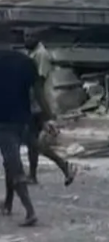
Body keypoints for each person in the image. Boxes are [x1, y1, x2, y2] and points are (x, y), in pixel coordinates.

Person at [0, 40, 47, 227]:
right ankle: (8, 203)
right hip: (21, 119)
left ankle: (30, 211)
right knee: (10, 161)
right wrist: (47, 116)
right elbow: (38, 93)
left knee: (14, 165)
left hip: (3, 122)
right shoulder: (26, 61)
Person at [23, 33, 76, 186]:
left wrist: (47, 113)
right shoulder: (33, 53)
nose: (26, 39)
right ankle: (33, 175)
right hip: (33, 102)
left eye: (29, 36)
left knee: (32, 141)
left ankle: (63, 164)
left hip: (36, 104)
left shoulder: (41, 55)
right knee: (31, 141)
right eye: (25, 36)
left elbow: (38, 82)